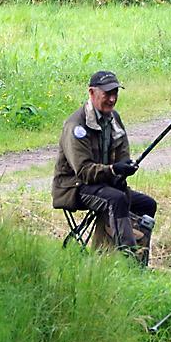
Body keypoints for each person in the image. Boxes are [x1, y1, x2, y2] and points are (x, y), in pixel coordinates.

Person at [52, 70, 157, 259]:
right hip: (74, 187)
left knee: (147, 205)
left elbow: (122, 156)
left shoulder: (114, 119)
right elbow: (83, 172)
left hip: (104, 184)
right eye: (107, 94)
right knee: (115, 200)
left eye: (115, 93)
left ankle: (139, 260)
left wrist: (125, 169)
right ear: (92, 93)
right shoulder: (76, 126)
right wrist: (113, 170)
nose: (112, 99)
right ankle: (129, 258)